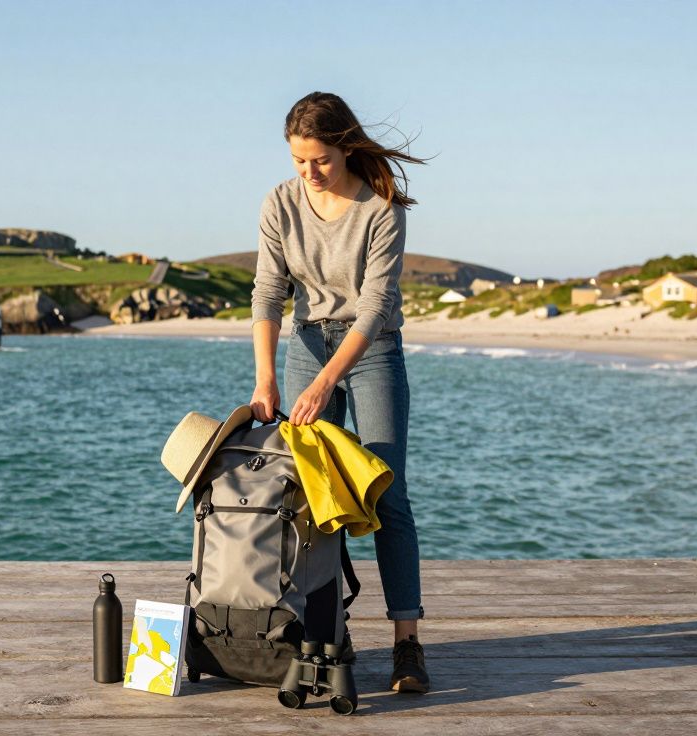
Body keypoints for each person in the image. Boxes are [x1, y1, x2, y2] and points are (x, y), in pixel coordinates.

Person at [247, 91, 429, 693]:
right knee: (306, 497)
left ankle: (407, 645)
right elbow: (268, 293)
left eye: (319, 160)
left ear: (345, 148)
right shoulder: (280, 201)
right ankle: (326, 630)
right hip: (305, 343)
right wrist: (267, 379)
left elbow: (376, 308)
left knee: (388, 495)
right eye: (299, 161)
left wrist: (328, 383)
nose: (309, 173)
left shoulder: (381, 209)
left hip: (372, 349)